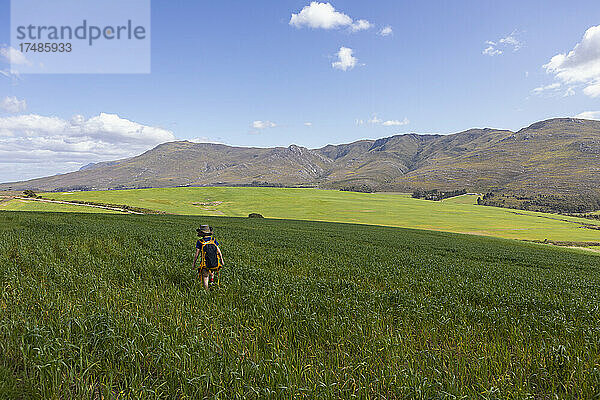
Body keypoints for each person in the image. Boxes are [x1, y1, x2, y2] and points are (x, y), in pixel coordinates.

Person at [193, 225, 224, 290]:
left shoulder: (200, 242)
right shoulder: (213, 240)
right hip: (214, 262)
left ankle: (206, 291)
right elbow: (219, 251)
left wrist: (194, 263)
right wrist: (221, 260)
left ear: (202, 233)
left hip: (205, 263)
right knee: (212, 269)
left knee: (205, 276)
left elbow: (197, 254)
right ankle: (212, 282)